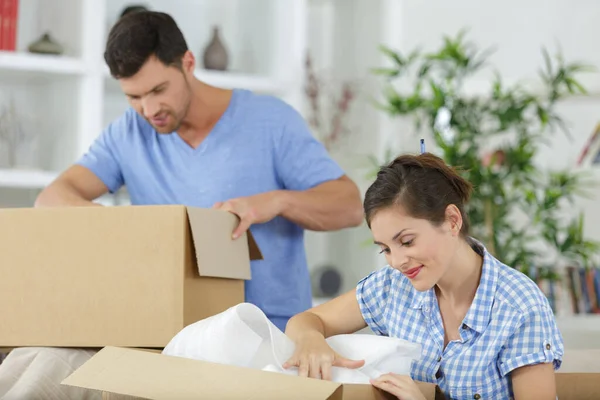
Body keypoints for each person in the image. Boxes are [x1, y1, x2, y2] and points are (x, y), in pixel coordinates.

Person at [34, 11, 363, 332]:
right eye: (133, 97)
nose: (148, 110)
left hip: (266, 335)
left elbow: (349, 206)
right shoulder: (128, 133)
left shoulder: (271, 121)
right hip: (167, 333)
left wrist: (276, 202)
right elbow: (51, 199)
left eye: (158, 91)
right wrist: (121, 227)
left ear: (188, 63)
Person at [284, 153, 564, 400]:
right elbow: (307, 321)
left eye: (406, 242)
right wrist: (311, 340)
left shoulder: (519, 307)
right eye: (385, 250)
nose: (396, 262)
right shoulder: (391, 287)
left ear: (452, 221)